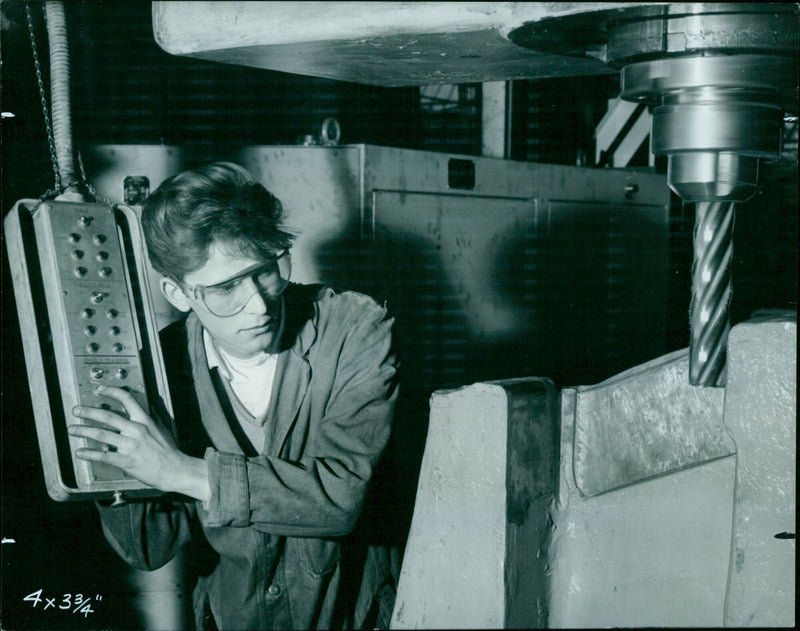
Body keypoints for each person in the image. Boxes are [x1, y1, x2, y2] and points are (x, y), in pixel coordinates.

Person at [67, 162, 400, 630]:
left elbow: (341, 497)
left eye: (266, 271)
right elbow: (148, 547)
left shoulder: (354, 327)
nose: (261, 304)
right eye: (226, 288)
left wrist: (182, 471)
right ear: (178, 293)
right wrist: (114, 455)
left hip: (349, 616)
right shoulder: (161, 367)